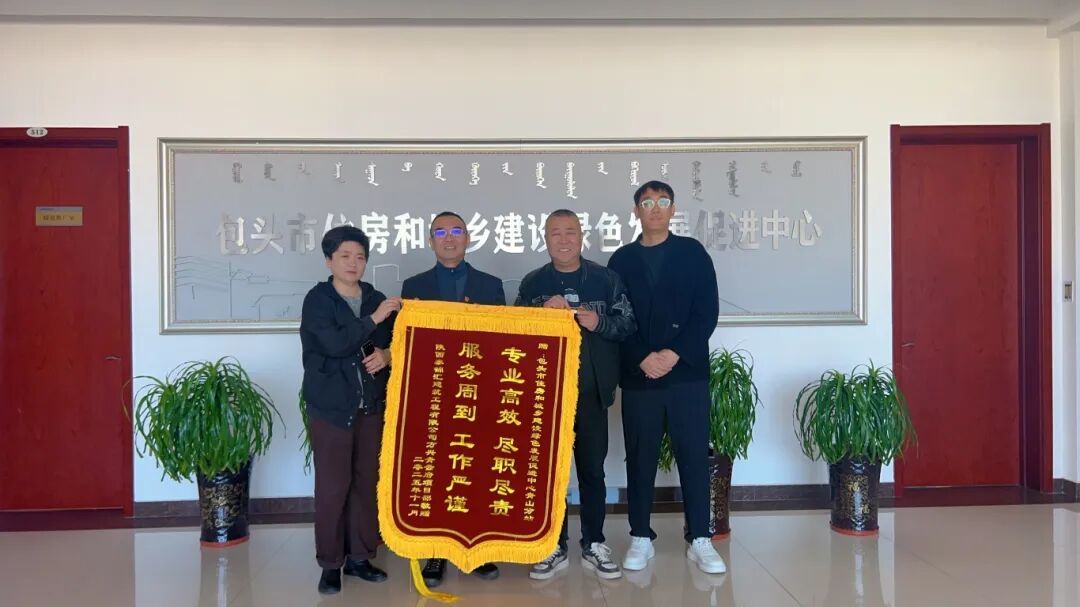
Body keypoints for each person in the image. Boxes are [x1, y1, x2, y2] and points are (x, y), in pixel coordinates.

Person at [607, 180, 727, 575]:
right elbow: (617, 318)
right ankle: (640, 536)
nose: (655, 208)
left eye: (663, 201)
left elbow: (706, 312)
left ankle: (700, 538)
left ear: (673, 209)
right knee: (640, 456)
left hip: (687, 374)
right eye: (647, 202)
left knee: (693, 455)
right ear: (636, 211)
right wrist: (642, 357)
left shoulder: (692, 253)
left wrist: (673, 354)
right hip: (640, 375)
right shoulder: (622, 260)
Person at [516, 210, 636, 580]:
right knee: (549, 472)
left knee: (592, 471)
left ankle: (594, 541)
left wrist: (598, 321)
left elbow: (628, 324)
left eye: (570, 232)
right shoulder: (533, 282)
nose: (564, 240)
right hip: (547, 395)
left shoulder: (606, 279)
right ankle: (553, 544)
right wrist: (541, 311)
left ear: (582, 237)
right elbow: (515, 331)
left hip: (591, 392)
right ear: (545, 239)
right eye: (556, 233)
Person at [400, 210, 503, 587]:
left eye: (456, 230)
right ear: (430, 241)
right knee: (438, 471)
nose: (449, 238)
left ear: (468, 238)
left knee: (477, 470)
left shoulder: (490, 285)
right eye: (441, 232)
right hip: (433, 393)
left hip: (479, 392)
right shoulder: (414, 285)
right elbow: (407, 341)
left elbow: (504, 340)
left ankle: (477, 551)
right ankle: (436, 553)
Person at [300, 226, 402, 594]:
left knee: (365, 483)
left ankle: (360, 557)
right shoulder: (318, 300)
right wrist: (373, 319)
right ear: (329, 260)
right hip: (331, 409)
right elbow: (334, 344)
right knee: (332, 487)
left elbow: (396, 342)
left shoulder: (374, 297)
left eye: (360, 257)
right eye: (345, 256)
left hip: (370, 407)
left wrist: (387, 354)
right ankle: (330, 563)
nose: (353, 263)